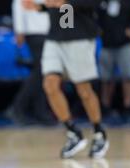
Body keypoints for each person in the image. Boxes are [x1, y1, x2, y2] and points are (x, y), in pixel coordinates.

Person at [23, 0, 109, 159]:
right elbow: (58, 8)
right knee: (50, 85)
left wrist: (66, 1)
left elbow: (96, 3)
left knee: (84, 89)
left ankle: (99, 133)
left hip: (79, 37)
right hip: (55, 37)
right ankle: (72, 131)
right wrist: (39, 6)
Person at [11, 0, 54, 125]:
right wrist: (19, 31)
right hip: (34, 33)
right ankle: (17, 107)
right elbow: (18, 5)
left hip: (48, 33)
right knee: (40, 71)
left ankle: (40, 111)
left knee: (43, 73)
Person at [98, 0, 130, 123]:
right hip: (107, 43)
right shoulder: (102, 2)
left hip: (125, 43)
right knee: (106, 79)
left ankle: (128, 108)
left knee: (129, 77)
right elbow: (96, 17)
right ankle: (105, 108)